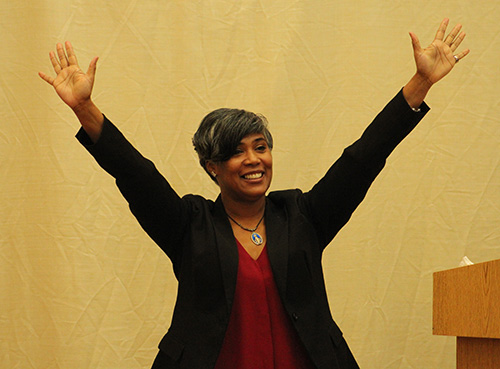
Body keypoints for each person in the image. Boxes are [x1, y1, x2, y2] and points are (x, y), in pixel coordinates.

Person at [39, 18, 469, 369]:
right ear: (212, 167)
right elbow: (135, 174)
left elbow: (362, 159)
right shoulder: (189, 225)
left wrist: (420, 83)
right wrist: (84, 108)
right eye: (236, 152)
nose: (253, 160)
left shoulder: (302, 214)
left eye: (260, 147)